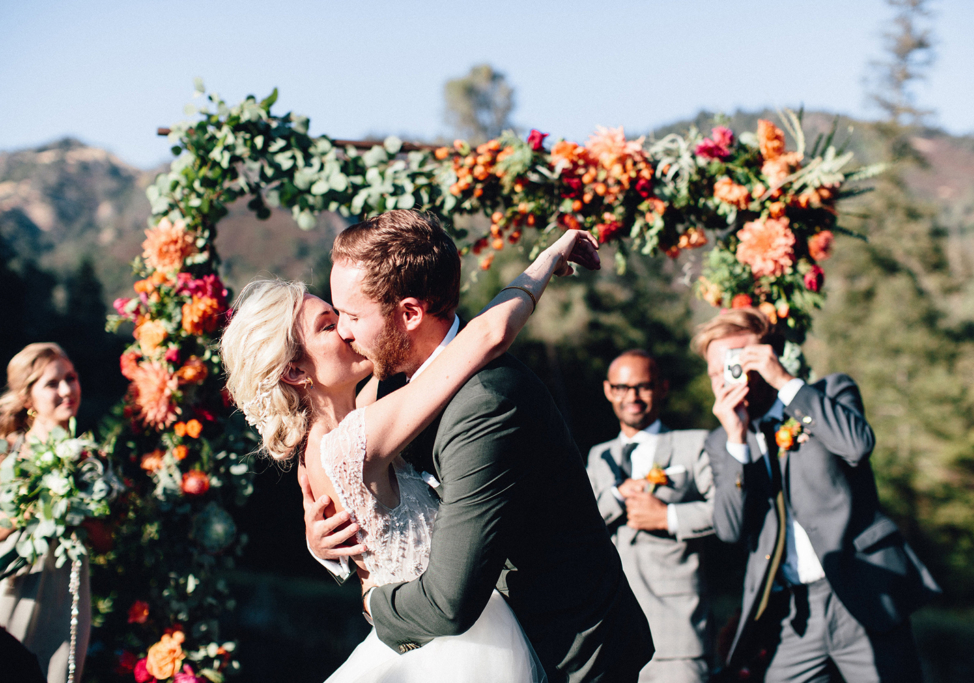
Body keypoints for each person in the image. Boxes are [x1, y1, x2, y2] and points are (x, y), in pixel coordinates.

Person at [302, 209, 654, 682]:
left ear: (409, 313)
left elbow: (448, 602)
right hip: (479, 644)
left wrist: (371, 603)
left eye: (351, 315)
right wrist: (327, 545)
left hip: (566, 649)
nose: (344, 331)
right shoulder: (387, 386)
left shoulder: (485, 403)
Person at [693, 309, 940, 683]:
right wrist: (736, 441)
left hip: (862, 593)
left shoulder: (827, 394)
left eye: (738, 360)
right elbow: (729, 529)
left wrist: (786, 383)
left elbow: (857, 446)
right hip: (791, 612)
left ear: (768, 355)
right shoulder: (720, 443)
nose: (729, 375)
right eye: (717, 370)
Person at [586, 350, 715, 683]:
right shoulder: (597, 457)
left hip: (676, 636)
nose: (633, 396)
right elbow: (580, 526)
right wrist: (616, 496)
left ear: (662, 388)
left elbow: (726, 513)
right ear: (608, 390)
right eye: (622, 387)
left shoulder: (695, 444)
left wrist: (667, 517)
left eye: (643, 386)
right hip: (609, 636)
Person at [0, 343, 90, 683]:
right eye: (52, 384)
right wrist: (36, 504)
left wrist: (94, 508)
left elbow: (106, 542)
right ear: (28, 398)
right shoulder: (8, 455)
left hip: (68, 593)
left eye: (71, 378)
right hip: (16, 586)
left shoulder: (90, 461)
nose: (67, 390)